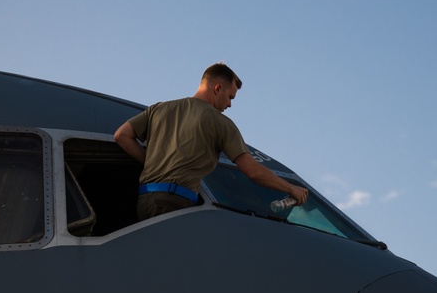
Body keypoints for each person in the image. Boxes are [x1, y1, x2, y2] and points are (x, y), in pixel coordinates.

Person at [114, 63, 308, 220]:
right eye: (230, 97)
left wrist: (151, 163)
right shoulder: (220, 122)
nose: (230, 104)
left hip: (144, 200)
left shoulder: (159, 109)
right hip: (174, 204)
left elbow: (121, 135)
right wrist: (292, 189)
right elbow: (252, 171)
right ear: (217, 88)